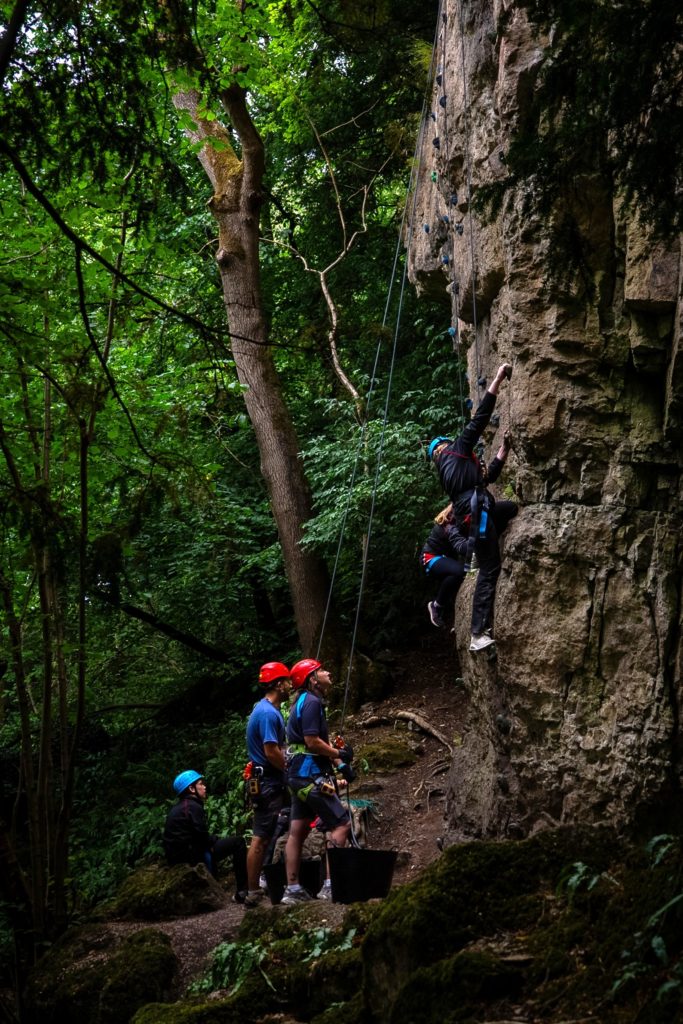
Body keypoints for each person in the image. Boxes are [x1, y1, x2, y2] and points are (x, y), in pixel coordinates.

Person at [427, 362, 518, 652]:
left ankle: (486, 543)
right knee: (490, 568)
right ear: (444, 447)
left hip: (479, 509)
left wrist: (503, 451)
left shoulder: (450, 471)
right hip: (476, 513)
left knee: (511, 509)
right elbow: (480, 418)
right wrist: (499, 377)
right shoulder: (456, 449)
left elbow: (485, 477)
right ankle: (478, 633)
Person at [281, 658, 353, 904]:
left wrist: (340, 765)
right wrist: (339, 754)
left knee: (297, 830)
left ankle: (292, 889)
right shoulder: (312, 703)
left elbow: (313, 742)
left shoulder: (301, 702)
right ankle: (331, 886)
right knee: (341, 824)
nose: (327, 671)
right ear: (312, 679)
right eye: (322, 670)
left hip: (297, 775)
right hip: (310, 775)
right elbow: (312, 742)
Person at [243, 661, 292, 909]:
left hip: (269, 781)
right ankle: (252, 890)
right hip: (268, 782)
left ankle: (272, 879)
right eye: (286, 681)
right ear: (277, 684)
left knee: (282, 827)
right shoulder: (267, 713)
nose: (289, 685)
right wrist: (289, 768)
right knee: (260, 837)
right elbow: (271, 751)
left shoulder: (264, 710)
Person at [163, 770, 248, 902]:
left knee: (214, 844)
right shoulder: (192, 806)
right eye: (201, 784)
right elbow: (201, 837)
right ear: (191, 789)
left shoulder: (179, 808)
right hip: (191, 856)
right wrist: (212, 841)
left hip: (178, 857)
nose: (204, 787)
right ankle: (243, 891)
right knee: (238, 842)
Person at [422, 503, 468, 630]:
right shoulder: (449, 523)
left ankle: (448, 615)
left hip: (442, 557)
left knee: (458, 576)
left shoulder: (454, 518)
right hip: (430, 557)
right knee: (459, 571)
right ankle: (436, 606)